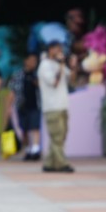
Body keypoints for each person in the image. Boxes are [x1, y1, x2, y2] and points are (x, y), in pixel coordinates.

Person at [37, 41, 74, 173]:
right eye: (57, 49)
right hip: (52, 107)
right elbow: (54, 82)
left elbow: (72, 79)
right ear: (50, 50)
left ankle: (49, 163)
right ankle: (62, 163)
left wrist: (72, 66)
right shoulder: (44, 65)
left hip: (63, 104)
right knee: (57, 136)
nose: (60, 51)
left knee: (61, 135)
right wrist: (61, 65)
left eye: (60, 49)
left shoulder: (59, 65)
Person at [6, 53, 42, 161]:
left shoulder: (37, 75)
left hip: (35, 105)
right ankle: (28, 149)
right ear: (26, 61)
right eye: (31, 60)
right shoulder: (18, 75)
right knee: (24, 130)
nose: (33, 63)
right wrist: (8, 107)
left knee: (35, 127)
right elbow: (12, 92)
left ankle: (35, 149)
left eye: (35, 61)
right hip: (22, 106)